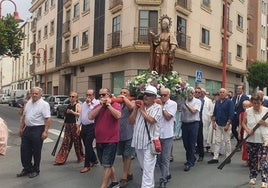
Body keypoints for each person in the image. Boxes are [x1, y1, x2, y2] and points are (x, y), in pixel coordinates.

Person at [129, 85, 162, 188]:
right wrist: (135, 109)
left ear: (154, 97)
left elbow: (152, 121)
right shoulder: (138, 107)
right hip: (138, 142)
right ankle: (149, 185)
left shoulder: (158, 107)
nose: (145, 97)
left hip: (149, 143)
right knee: (146, 168)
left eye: (149, 95)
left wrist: (142, 110)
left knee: (148, 169)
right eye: (144, 94)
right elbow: (131, 121)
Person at [89, 88, 121, 188]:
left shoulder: (115, 105)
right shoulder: (97, 106)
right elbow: (90, 116)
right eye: (100, 95)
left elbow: (118, 115)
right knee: (106, 164)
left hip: (111, 140)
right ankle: (115, 182)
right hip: (99, 140)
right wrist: (101, 106)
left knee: (107, 165)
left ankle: (103, 186)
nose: (102, 97)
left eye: (104, 95)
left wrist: (108, 106)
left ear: (109, 95)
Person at [17, 87, 51, 178]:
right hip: (27, 129)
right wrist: (21, 129)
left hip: (38, 129)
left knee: (36, 151)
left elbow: (47, 119)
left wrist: (45, 131)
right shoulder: (28, 103)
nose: (34, 95)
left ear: (40, 94)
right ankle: (27, 168)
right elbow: (24, 117)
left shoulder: (44, 104)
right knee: (24, 150)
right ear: (30, 94)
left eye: (36, 93)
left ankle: (36, 170)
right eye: (33, 93)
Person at [242, 94, 268, 188]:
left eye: (258, 103)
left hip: (264, 139)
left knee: (263, 160)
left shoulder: (266, 111)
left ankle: (264, 181)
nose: (256, 105)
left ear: (261, 102)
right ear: (252, 103)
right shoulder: (248, 111)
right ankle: (253, 177)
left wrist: (264, 123)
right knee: (252, 160)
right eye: (254, 103)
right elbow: (243, 123)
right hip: (251, 139)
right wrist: (247, 130)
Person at [54, 91, 84, 165]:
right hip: (68, 125)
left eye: (73, 96)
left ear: (76, 98)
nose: (71, 98)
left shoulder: (78, 105)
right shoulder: (68, 105)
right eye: (70, 96)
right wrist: (64, 123)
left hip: (75, 125)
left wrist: (73, 112)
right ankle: (61, 159)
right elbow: (66, 115)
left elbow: (81, 115)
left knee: (77, 142)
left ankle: (80, 157)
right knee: (65, 142)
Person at [208, 88, 234, 164]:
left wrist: (228, 124)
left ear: (226, 94)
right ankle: (215, 157)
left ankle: (228, 157)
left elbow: (231, 114)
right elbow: (214, 113)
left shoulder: (229, 102)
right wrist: (213, 123)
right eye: (220, 92)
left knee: (227, 141)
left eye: (223, 92)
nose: (221, 93)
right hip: (218, 124)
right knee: (217, 141)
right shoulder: (218, 102)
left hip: (226, 124)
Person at [157, 88, 177, 188]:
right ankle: (167, 173)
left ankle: (163, 179)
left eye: (165, 95)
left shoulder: (173, 104)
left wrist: (162, 107)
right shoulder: (156, 103)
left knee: (165, 158)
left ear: (169, 95)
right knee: (158, 159)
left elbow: (168, 117)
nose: (163, 97)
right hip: (157, 135)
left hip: (167, 135)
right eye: (161, 95)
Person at [77, 89, 99, 173]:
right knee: (86, 145)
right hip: (84, 126)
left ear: (93, 95)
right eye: (87, 95)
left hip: (92, 126)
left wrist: (90, 104)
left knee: (88, 144)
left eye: (90, 95)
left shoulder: (96, 103)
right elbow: (81, 115)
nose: (88, 97)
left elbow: (93, 113)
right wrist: (78, 126)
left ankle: (87, 165)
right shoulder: (83, 104)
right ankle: (94, 159)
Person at [116, 88, 135, 188]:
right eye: (121, 93)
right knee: (123, 155)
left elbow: (132, 107)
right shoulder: (118, 103)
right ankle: (129, 173)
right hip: (119, 134)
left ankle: (124, 178)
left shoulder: (132, 101)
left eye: (125, 93)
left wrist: (124, 98)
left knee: (127, 155)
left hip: (129, 133)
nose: (122, 94)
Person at [181, 87, 201, 171]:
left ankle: (189, 162)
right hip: (185, 124)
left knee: (192, 143)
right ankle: (192, 157)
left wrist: (186, 104)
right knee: (186, 143)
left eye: (190, 93)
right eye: (187, 94)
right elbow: (180, 110)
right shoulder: (183, 101)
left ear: (193, 94)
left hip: (193, 124)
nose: (189, 95)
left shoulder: (197, 101)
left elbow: (193, 111)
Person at [238, 100, 251, 166]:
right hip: (244, 132)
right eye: (244, 106)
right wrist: (239, 133)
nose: (246, 107)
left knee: (251, 147)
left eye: (247, 106)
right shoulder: (241, 114)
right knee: (245, 146)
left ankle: (251, 160)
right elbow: (240, 124)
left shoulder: (251, 113)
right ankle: (246, 160)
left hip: (251, 131)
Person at [201, 88, 213, 153]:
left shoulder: (208, 100)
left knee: (206, 133)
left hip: (206, 119)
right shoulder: (198, 100)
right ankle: (200, 146)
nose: (201, 93)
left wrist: (209, 118)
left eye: (203, 92)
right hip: (200, 119)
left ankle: (207, 145)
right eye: (201, 92)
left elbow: (211, 110)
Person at [194, 87, 205, 162]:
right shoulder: (190, 99)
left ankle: (201, 154)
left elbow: (197, 109)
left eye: (199, 92)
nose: (197, 93)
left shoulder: (201, 100)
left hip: (198, 121)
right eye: (196, 92)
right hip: (191, 121)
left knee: (199, 138)